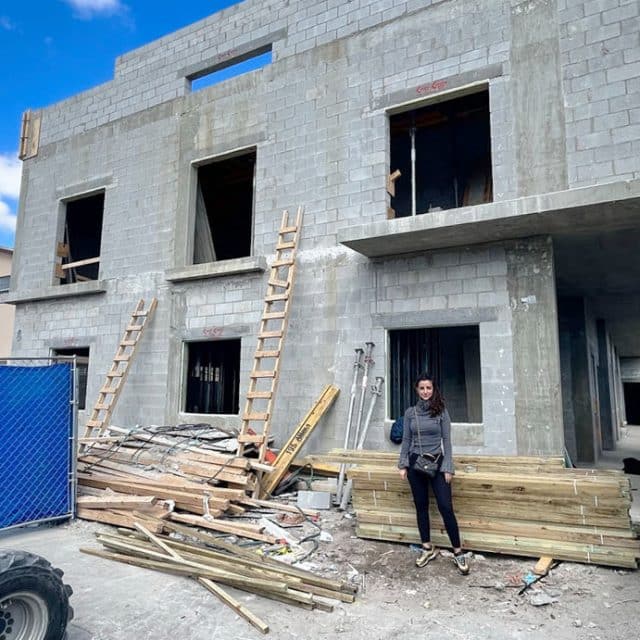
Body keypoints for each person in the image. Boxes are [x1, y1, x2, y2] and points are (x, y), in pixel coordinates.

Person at [398, 373, 469, 575]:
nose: (425, 392)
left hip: (437, 463)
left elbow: (447, 442)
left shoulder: (441, 412)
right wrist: (403, 464)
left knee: (446, 507)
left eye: (429, 388)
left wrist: (448, 467)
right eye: (422, 388)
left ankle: (458, 551)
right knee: (421, 507)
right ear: (417, 390)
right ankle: (427, 547)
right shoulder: (410, 413)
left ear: (433, 389)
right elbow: (406, 440)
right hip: (415, 464)